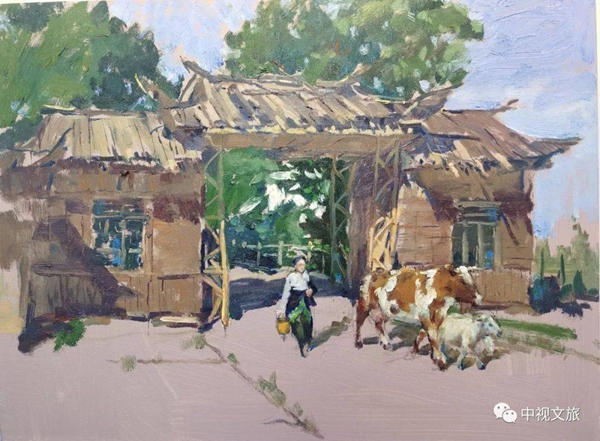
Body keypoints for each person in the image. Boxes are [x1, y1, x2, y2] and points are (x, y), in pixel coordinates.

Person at [276, 256, 318, 357]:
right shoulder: (291, 277)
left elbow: (314, 287)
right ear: (295, 266)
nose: (302, 267)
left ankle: (307, 341)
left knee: (308, 323)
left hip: (305, 303)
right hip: (293, 304)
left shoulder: (306, 275)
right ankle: (302, 345)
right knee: (296, 326)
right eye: (300, 265)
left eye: (303, 265)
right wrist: (282, 309)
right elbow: (286, 293)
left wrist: (311, 291)